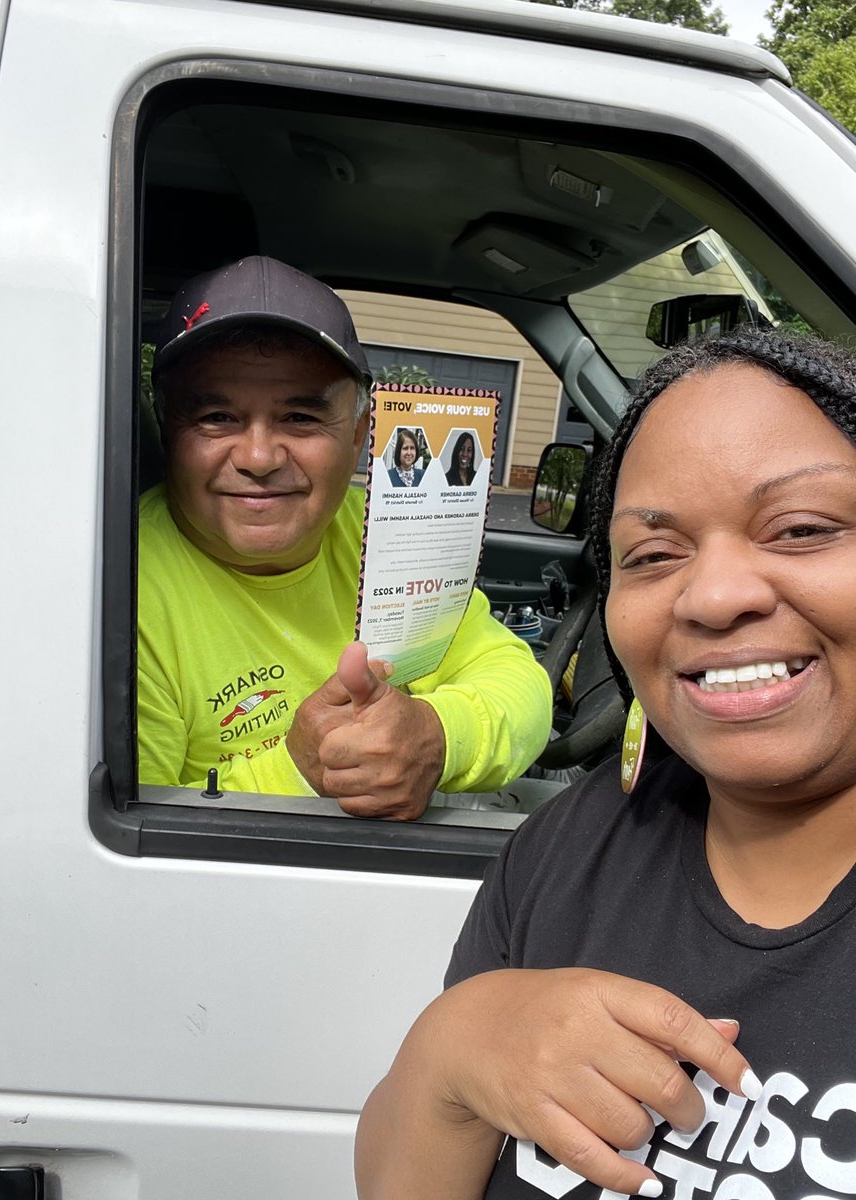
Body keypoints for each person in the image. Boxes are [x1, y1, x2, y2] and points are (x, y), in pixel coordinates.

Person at [356, 328, 856, 1194]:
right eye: (654, 555)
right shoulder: (571, 846)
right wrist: (455, 1048)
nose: (714, 594)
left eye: (801, 529)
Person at [137, 256, 552, 820]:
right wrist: (302, 770)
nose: (259, 458)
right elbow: (132, 845)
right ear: (167, 427)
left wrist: (434, 736)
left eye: (301, 419)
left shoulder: (387, 529)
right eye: (216, 416)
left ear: (358, 436)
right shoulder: (120, 590)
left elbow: (517, 680)